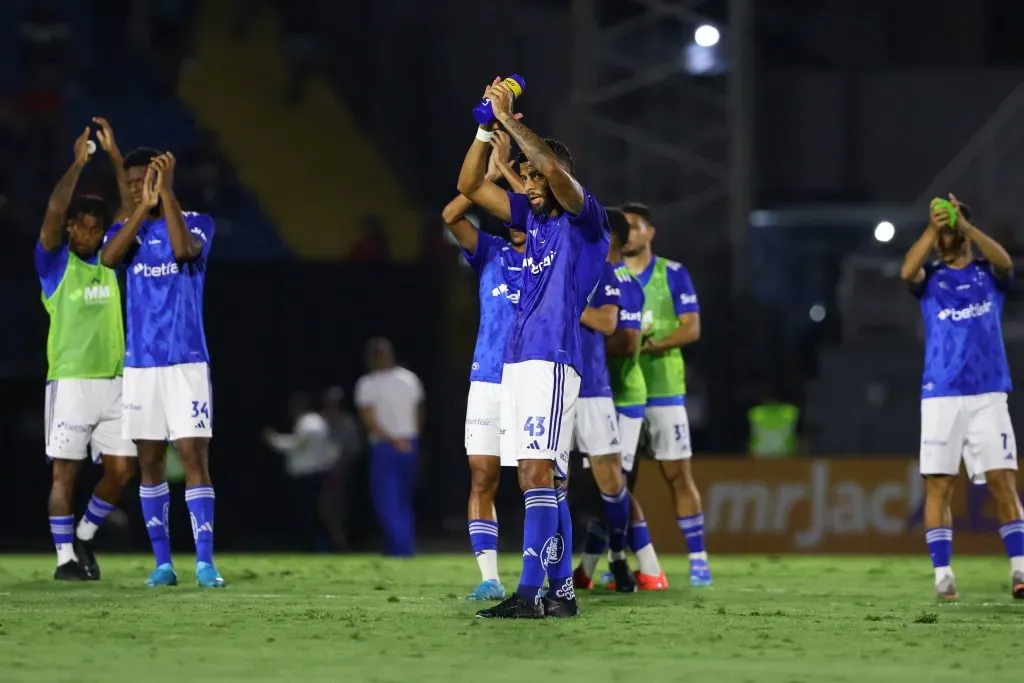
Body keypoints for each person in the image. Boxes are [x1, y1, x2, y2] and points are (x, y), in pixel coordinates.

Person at [457, 78, 610, 619]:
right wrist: (485, 127)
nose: (528, 187)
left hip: (552, 358)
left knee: (536, 475)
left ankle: (527, 595)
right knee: (540, 476)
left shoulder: (585, 221)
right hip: (519, 360)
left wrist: (512, 119)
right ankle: (561, 594)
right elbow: (470, 186)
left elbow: (546, 170)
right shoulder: (536, 224)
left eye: (534, 179)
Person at [101, 148, 224, 588]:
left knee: (192, 455)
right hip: (141, 365)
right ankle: (163, 564)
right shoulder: (124, 231)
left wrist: (165, 196)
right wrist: (141, 209)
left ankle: (206, 563)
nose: (139, 188)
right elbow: (108, 258)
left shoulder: (197, 223)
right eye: (133, 183)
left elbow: (181, 250)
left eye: (146, 179)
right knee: (149, 459)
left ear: (164, 178)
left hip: (187, 361)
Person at [900, 194, 1024, 601]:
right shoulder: (931, 280)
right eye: (940, 232)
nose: (941, 240)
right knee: (939, 486)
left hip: (988, 393)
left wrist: (965, 225)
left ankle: (1020, 572)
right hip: (941, 395)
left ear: (963, 233)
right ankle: (943, 576)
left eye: (947, 231)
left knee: (1003, 482)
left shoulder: (990, 275)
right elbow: (906, 271)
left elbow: (1007, 262)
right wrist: (933, 226)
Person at [38, 125, 137, 580]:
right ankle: (64, 562)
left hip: (115, 383)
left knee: (121, 472)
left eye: (94, 228)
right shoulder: (55, 265)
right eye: (79, 226)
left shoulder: (110, 259)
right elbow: (55, 209)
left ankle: (84, 536)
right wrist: (79, 163)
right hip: (72, 381)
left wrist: (115, 157)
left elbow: (132, 208)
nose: (86, 233)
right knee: (66, 475)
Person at [443, 129, 525, 600]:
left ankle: (547, 571)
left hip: (531, 378)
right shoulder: (489, 252)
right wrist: (487, 175)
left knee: (542, 480)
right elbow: (451, 215)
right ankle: (489, 578)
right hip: (487, 378)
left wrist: (507, 177)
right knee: (482, 475)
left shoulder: (547, 255)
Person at [573, 208, 667, 592]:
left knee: (615, 484)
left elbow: (626, 342)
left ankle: (649, 568)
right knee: (605, 487)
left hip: (621, 396)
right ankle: (592, 568)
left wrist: (581, 328)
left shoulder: (623, 283)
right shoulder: (590, 272)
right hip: (598, 393)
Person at [620, 202, 710, 587]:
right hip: (622, 390)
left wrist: (651, 344)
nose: (630, 234)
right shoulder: (611, 275)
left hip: (665, 391)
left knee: (678, 475)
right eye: (623, 228)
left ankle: (698, 559)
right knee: (620, 481)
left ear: (650, 232)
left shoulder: (672, 274)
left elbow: (692, 330)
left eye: (636, 227)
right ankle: (623, 558)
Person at [354, 338, 424, 557]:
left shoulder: (367, 383)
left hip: (386, 446)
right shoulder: (409, 378)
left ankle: (402, 548)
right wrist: (411, 438)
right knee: (402, 499)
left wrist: (395, 441)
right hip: (409, 443)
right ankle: (400, 545)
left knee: (388, 500)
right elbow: (419, 412)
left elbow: (369, 420)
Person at [263, 391, 341, 551]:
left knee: (314, 514)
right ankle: (318, 546)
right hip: (310, 475)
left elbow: (297, 444)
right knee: (312, 514)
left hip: (311, 476)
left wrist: (273, 439)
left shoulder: (310, 422)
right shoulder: (309, 422)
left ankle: (323, 547)